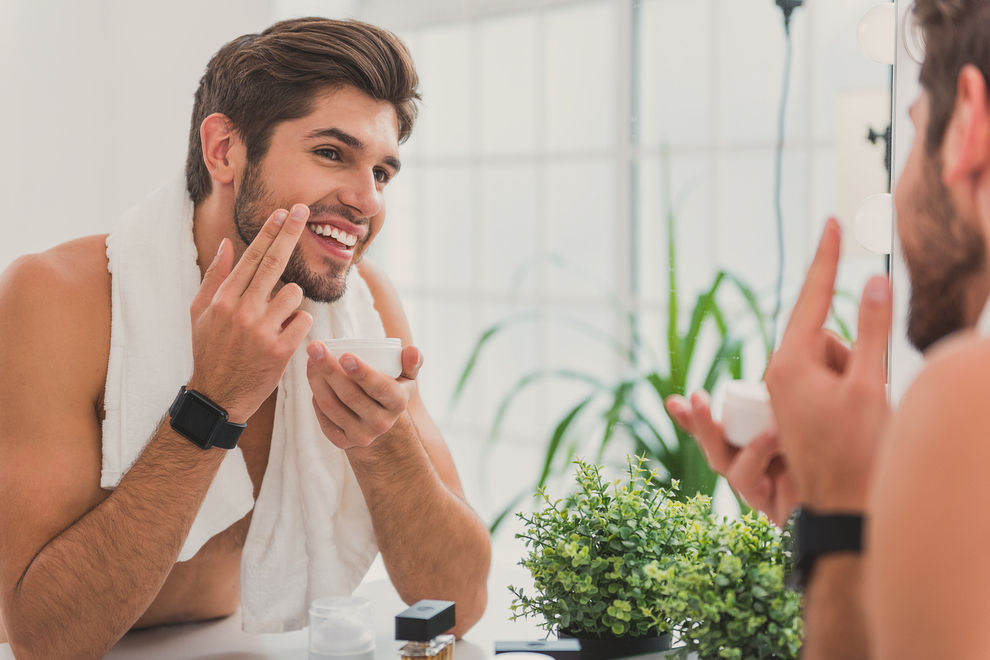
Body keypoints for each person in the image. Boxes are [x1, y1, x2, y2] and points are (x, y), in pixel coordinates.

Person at [0, 18, 491, 658]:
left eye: (383, 173)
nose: (367, 201)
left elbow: (461, 605)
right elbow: (43, 639)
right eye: (331, 153)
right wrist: (211, 403)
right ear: (224, 150)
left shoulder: (367, 306)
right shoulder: (57, 299)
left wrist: (384, 444)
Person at [667, 0, 990, 657]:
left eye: (911, 130)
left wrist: (840, 511)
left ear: (966, 121)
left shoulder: (967, 395)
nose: (899, 190)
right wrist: (833, 500)